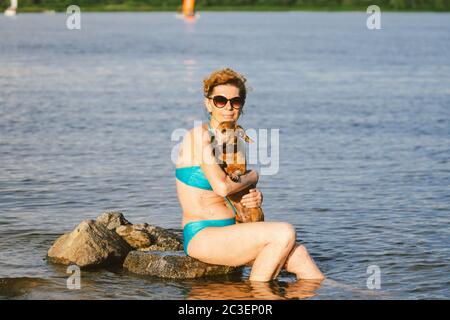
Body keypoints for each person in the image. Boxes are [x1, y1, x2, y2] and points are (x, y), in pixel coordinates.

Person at [175, 68, 324, 282]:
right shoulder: (199, 137)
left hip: (236, 230)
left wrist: (252, 196)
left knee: (300, 255)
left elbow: (234, 189)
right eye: (220, 100)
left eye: (235, 101)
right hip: (203, 234)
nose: (228, 106)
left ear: (241, 106)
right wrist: (253, 176)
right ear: (208, 103)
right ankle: (257, 296)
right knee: (284, 232)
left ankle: (351, 294)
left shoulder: (234, 143)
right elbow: (222, 187)